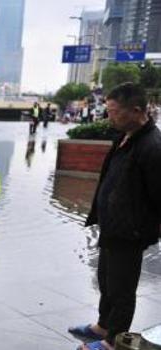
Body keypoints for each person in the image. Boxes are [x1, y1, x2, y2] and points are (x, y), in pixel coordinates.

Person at [68, 82, 161, 350]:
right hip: (112, 226)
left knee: (122, 289)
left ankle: (112, 341)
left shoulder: (152, 146)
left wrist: (145, 227)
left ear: (136, 110)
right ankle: (102, 325)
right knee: (106, 280)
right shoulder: (124, 136)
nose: (109, 117)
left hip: (130, 231)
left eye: (113, 111)